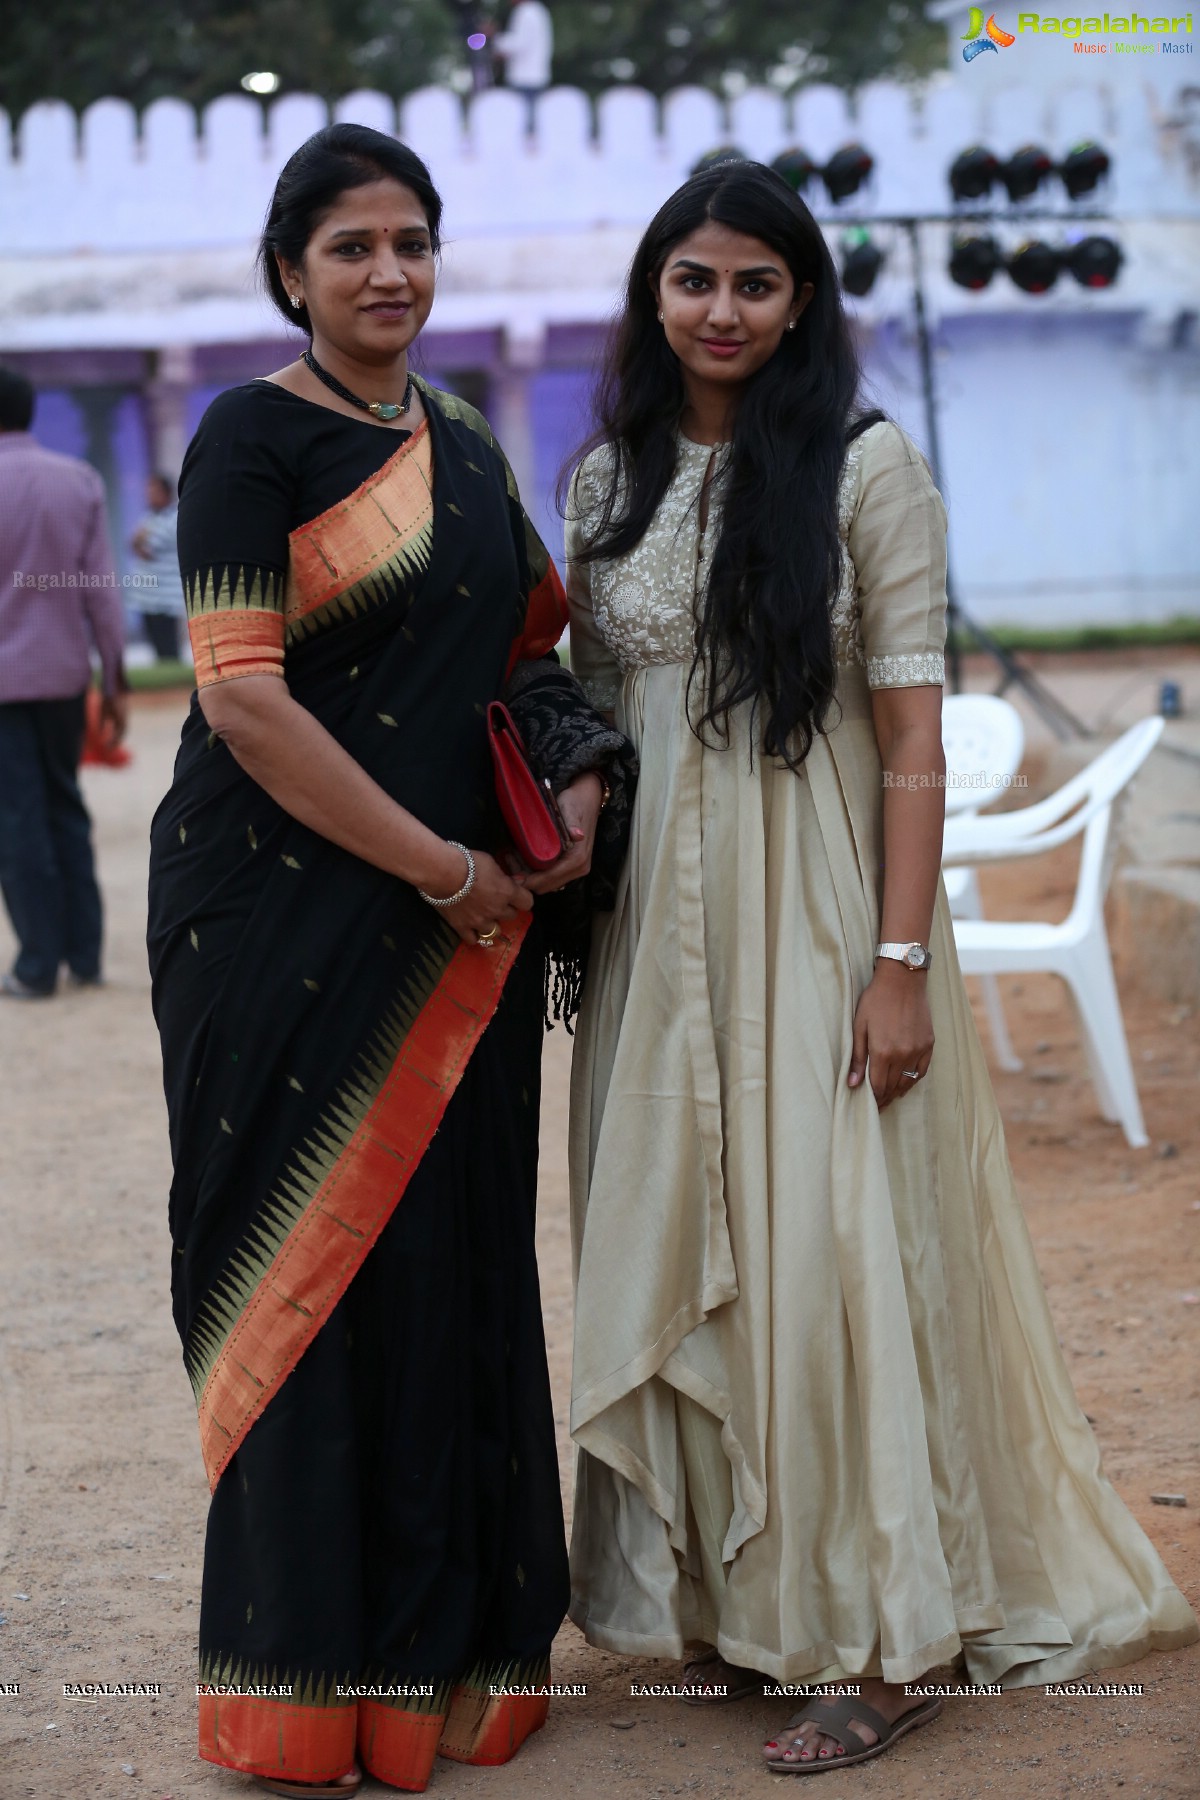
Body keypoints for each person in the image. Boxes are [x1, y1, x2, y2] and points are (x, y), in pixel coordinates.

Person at [562, 161, 1199, 1776]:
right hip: (655, 941)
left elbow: (912, 743)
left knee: (829, 1254)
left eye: (755, 284)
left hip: (825, 916)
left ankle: (889, 1634)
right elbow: (586, 712)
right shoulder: (602, 482)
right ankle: (745, 1599)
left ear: (801, 302)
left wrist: (901, 963)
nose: (722, 311)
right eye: (695, 280)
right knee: (691, 1226)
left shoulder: (863, 466)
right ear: (655, 292)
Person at [147, 123, 627, 1798]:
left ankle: (455, 1665)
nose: (388, 272)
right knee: (309, 1270)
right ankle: (302, 1683)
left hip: (469, 932)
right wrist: (442, 869)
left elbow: (527, 654)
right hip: (283, 917)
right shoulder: (248, 440)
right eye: (351, 244)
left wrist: (572, 777)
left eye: (411, 241)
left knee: (453, 1262)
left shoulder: (476, 449)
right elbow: (240, 695)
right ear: (292, 269)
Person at [0, 366, 127, 999]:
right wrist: (116, 677)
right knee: (66, 809)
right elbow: (102, 594)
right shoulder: (77, 480)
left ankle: (36, 965)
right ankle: (85, 954)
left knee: (16, 820)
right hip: (62, 676)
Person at [131, 471, 186, 660]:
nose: (149, 496)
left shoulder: (175, 517)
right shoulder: (148, 516)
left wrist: (140, 541)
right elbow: (135, 545)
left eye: (154, 491)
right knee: (155, 646)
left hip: (166, 596)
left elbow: (150, 544)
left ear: (166, 493)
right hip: (147, 595)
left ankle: (174, 687)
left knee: (168, 647)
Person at [490, 0, 553, 126]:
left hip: (524, 79)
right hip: (535, 76)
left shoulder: (525, 12)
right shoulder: (538, 10)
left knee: (523, 127)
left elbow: (519, 43)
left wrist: (496, 40)